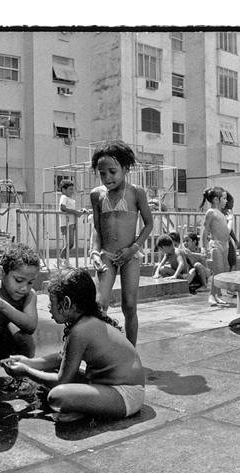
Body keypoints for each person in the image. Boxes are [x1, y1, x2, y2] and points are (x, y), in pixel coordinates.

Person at [0, 268, 145, 423]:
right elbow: (62, 358)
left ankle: (87, 410)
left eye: (52, 303)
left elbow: (60, 381)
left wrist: (26, 371)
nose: (49, 309)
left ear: (67, 303)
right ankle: (87, 406)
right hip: (108, 386)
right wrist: (28, 362)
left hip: (126, 394)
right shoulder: (86, 321)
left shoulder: (81, 330)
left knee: (57, 396)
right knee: (52, 371)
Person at [88, 140, 154, 346]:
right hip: (107, 254)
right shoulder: (97, 195)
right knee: (100, 304)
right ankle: (100, 350)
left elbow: (149, 224)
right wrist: (94, 252)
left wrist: (133, 248)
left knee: (130, 305)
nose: (107, 177)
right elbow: (97, 229)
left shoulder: (136, 192)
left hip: (130, 256)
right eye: (102, 173)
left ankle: (130, 352)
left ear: (125, 169)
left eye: (112, 171)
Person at [0, 243, 41, 393]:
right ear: (1, 272)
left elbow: (30, 326)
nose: (24, 288)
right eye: (19, 280)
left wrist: (3, 306)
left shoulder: (29, 296)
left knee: (24, 337)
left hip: (11, 347)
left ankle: (21, 377)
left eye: (30, 282)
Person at [199, 186, 232, 307]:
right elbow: (205, 230)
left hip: (225, 245)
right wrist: (204, 246)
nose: (226, 201)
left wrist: (230, 221)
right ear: (216, 200)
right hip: (216, 244)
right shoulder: (211, 212)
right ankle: (212, 295)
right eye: (224, 198)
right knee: (217, 270)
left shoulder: (222, 214)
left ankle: (217, 295)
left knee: (223, 269)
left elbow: (227, 231)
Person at [56, 180, 86, 268]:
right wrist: (75, 212)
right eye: (70, 189)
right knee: (69, 243)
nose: (72, 191)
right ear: (63, 190)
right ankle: (61, 260)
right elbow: (63, 208)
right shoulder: (64, 197)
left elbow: (72, 211)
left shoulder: (71, 199)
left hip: (71, 223)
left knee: (70, 244)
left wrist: (79, 212)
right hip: (66, 223)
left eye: (73, 189)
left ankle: (63, 260)